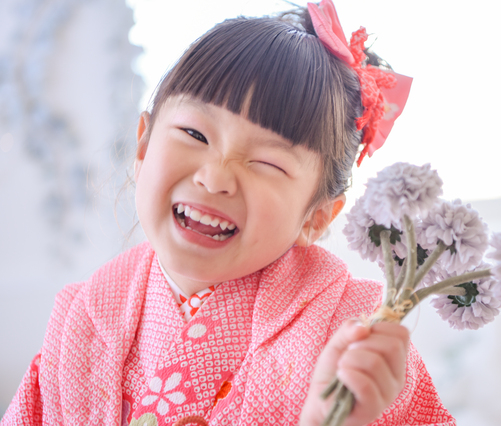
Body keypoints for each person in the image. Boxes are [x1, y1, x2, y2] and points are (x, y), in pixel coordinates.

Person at [2, 1, 455, 425]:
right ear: (143, 143)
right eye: (194, 134)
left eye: (268, 163)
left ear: (316, 217)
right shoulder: (83, 316)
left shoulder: (351, 334)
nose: (216, 177)